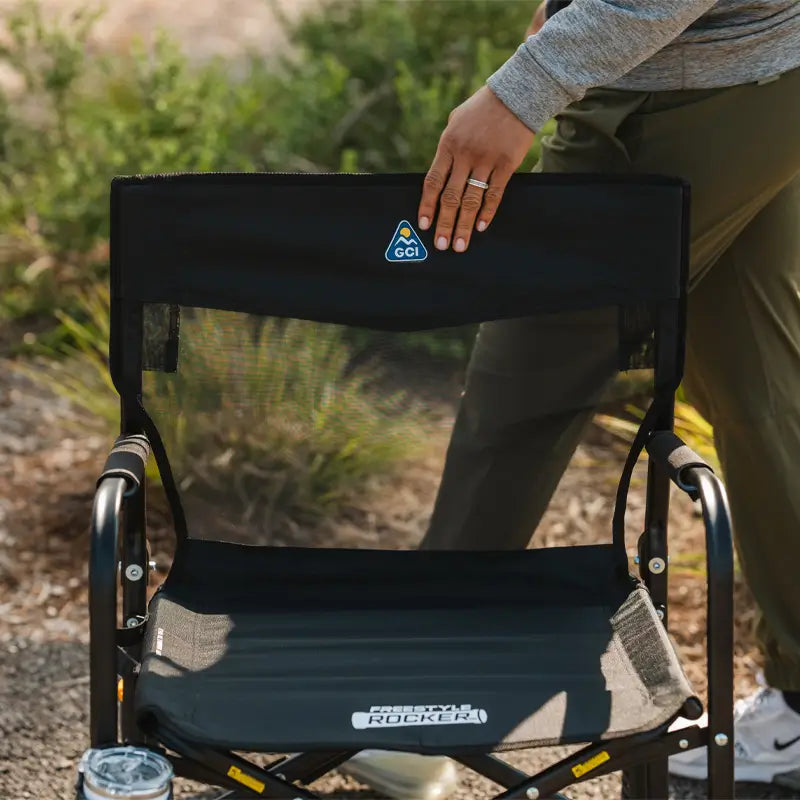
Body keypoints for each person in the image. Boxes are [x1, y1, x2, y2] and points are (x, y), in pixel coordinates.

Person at [342, 0, 800, 797]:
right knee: (763, 385)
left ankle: (412, 711)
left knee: (527, 383)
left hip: (683, 90)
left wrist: (530, 84)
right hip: (764, 72)